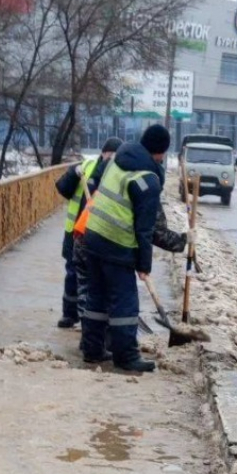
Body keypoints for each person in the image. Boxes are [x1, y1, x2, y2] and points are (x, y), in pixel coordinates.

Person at [81, 124, 172, 372]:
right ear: (161, 153)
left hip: (93, 234)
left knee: (96, 298)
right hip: (117, 243)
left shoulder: (118, 158)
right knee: (125, 304)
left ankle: (92, 350)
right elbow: (145, 229)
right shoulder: (147, 180)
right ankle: (126, 357)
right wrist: (144, 265)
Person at [73, 179, 196, 360]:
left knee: (92, 295)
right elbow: (156, 233)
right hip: (104, 245)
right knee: (114, 297)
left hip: (85, 238)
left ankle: (92, 343)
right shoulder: (147, 192)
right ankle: (105, 346)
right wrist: (184, 240)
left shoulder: (117, 183)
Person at [54, 137, 123, 328]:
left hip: (99, 235)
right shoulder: (87, 167)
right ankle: (70, 314)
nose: (111, 160)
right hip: (76, 232)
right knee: (72, 275)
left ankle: (89, 320)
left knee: (93, 281)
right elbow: (62, 188)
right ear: (103, 153)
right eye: (110, 155)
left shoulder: (119, 175)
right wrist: (74, 175)